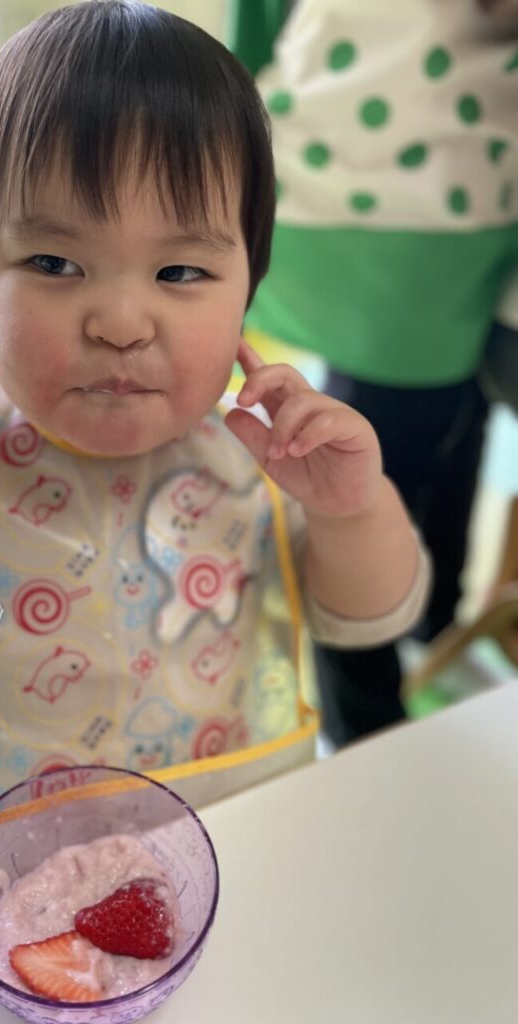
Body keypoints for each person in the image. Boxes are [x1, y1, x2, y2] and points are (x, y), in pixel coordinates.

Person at [0, 0, 428, 919]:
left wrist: (352, 508)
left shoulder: (266, 460)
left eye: (180, 272)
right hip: (9, 901)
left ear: (247, 290)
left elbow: (370, 617)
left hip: (240, 856)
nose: (118, 322)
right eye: (54, 263)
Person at [232, 0, 518, 747]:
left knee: (439, 433)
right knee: (362, 467)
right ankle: (366, 726)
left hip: (463, 201)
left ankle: (428, 628)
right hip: (380, 197)